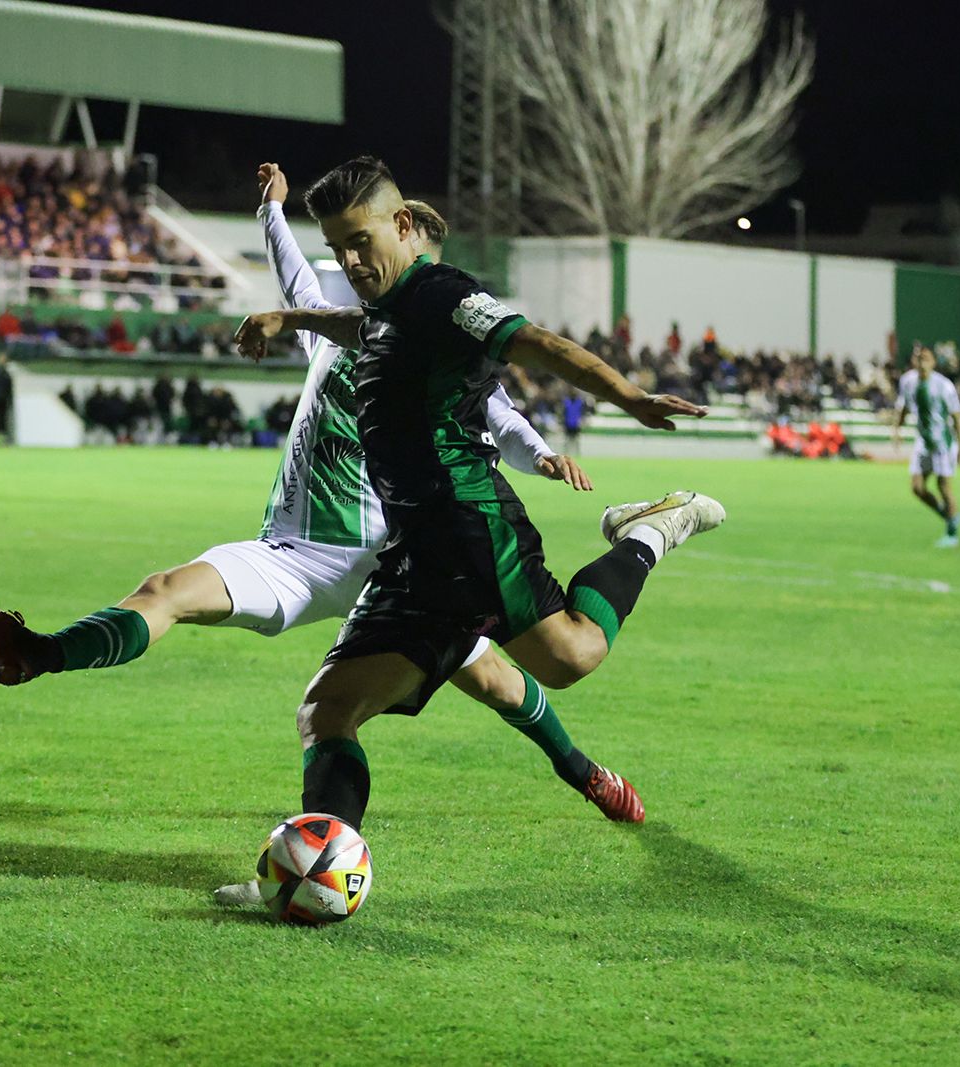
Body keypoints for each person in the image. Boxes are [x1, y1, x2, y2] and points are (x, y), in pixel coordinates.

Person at [0, 162, 642, 855]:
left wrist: (545, 453)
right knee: (168, 591)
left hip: (393, 560)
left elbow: (502, 417)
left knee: (498, 677)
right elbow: (296, 283)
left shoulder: (440, 352)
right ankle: (40, 652)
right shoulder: (340, 332)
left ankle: (583, 772)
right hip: (295, 554)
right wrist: (271, 212)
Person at [227, 156, 720, 853]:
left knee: (571, 656)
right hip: (409, 554)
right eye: (337, 247)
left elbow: (538, 344)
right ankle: (317, 870)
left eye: (359, 241)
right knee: (327, 709)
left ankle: (649, 532)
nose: (350, 259)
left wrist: (631, 397)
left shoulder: (444, 296)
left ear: (402, 225)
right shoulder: (386, 307)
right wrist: (289, 315)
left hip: (468, 528)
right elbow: (359, 328)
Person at [891, 344, 960, 547]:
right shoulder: (908, 382)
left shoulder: (944, 386)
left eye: (926, 359)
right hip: (923, 442)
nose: (922, 363)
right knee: (917, 488)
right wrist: (896, 431)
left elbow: (956, 417)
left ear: (933, 362)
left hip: (943, 443)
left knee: (943, 486)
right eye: (919, 359)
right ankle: (947, 515)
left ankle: (952, 534)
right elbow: (903, 407)